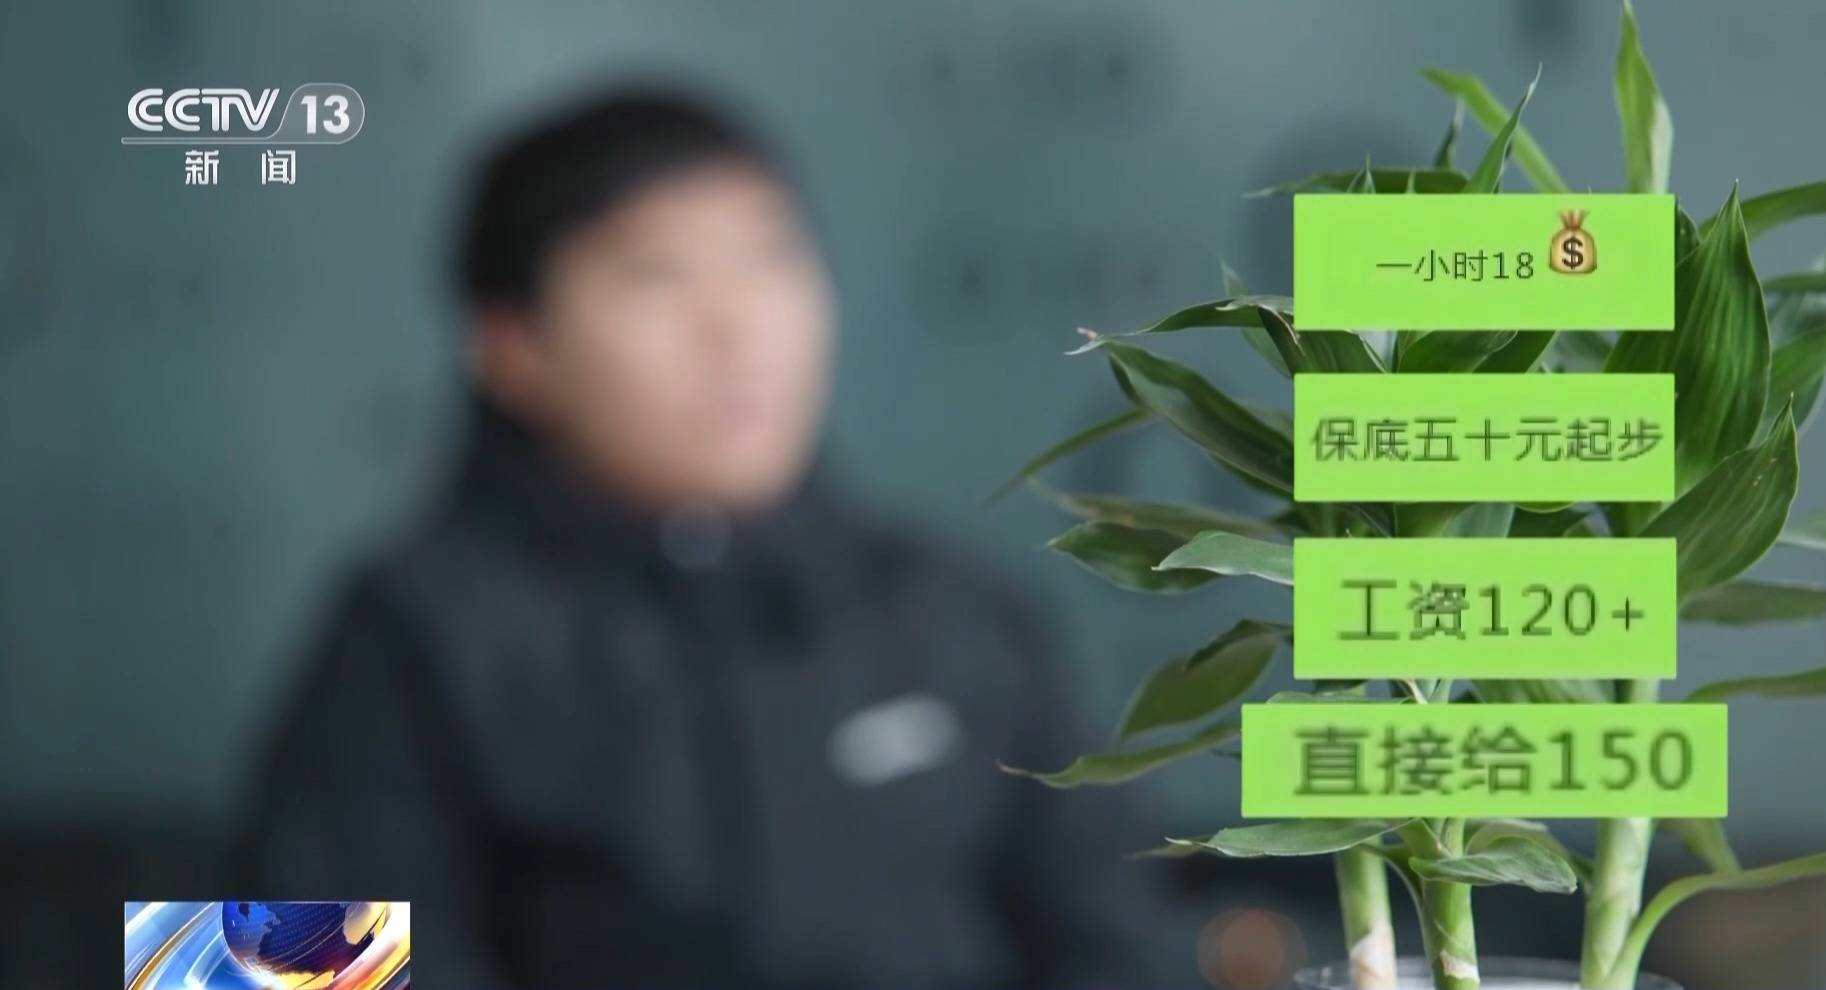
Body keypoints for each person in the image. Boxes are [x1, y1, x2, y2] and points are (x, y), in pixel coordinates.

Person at [239, 88, 1171, 989]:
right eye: (655, 276)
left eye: (771, 257)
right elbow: (281, 973)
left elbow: (1126, 945)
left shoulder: (959, 612)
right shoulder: (408, 632)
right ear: (513, 348)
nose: (734, 325)